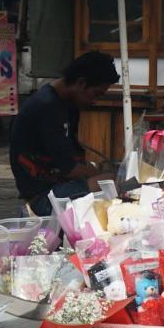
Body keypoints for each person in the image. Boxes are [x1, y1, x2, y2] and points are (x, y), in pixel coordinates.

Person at [10, 52, 121, 215]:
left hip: (57, 186)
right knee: (108, 181)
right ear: (81, 83)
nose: (94, 101)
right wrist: (100, 173)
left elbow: (72, 156)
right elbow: (70, 169)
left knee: (108, 181)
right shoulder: (46, 107)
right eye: (96, 94)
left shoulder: (67, 106)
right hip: (42, 198)